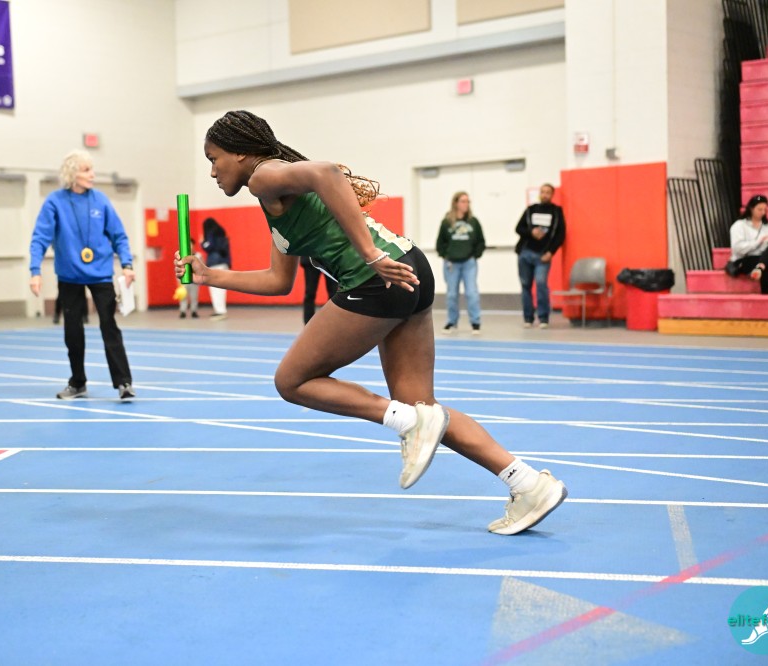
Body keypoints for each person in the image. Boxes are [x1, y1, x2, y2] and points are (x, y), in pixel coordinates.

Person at [175, 110, 566, 535]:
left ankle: (407, 422)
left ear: (240, 152)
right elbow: (278, 281)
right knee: (421, 406)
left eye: (214, 159)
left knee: (292, 381)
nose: (212, 171)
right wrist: (208, 276)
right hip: (409, 268)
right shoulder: (275, 192)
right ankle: (527, 483)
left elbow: (327, 173)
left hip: (376, 277)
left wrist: (370, 254)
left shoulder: (264, 176)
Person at [29, 150, 136, 401]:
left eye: (92, 169)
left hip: (101, 274)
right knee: (73, 331)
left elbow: (119, 235)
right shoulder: (54, 202)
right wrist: (35, 271)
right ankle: (77, 383)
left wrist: (127, 264)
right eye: (86, 170)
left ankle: (123, 382)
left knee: (109, 326)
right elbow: (40, 238)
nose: (92, 175)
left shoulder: (100, 200)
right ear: (72, 174)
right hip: (69, 276)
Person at [515, 184, 566, 329]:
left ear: (552, 195)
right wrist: (531, 232)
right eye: (542, 192)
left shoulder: (556, 212)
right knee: (525, 285)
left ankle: (543, 317)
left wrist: (551, 252)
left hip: (543, 255)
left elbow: (560, 235)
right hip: (525, 253)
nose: (545, 195)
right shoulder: (531, 210)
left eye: (548, 192)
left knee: (541, 284)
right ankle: (528, 317)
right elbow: (518, 228)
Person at [435, 191, 485, 334]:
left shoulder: (473, 222)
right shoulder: (447, 222)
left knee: (471, 293)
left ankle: (475, 322)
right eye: (463, 201)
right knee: (451, 294)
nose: (466, 204)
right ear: (456, 203)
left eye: (468, 201)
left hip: (469, 263)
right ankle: (451, 321)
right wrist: (445, 255)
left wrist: (475, 255)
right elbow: (440, 242)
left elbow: (481, 241)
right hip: (451, 263)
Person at [725, 194, 768, 294]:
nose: (763, 212)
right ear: (751, 208)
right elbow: (737, 249)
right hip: (744, 259)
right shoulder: (739, 225)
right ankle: (765, 293)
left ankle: (760, 268)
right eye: (759, 209)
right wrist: (758, 242)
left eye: (765, 209)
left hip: (764, 257)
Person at [200, 217, 230, 320]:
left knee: (215, 288)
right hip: (224, 264)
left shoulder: (211, 234)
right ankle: (222, 310)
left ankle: (219, 311)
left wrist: (202, 242)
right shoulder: (222, 235)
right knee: (222, 289)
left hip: (215, 263)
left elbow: (208, 246)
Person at [300, 255, 338, 324]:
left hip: (329, 258)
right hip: (310, 258)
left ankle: (333, 323)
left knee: (334, 295)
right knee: (309, 294)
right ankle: (308, 324)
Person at [179, 238, 201, 319]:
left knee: (194, 296)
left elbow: (202, 267)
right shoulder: (182, 255)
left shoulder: (198, 256)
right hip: (184, 279)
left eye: (191, 244)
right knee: (183, 296)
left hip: (194, 280)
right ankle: (183, 311)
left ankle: (194, 311)